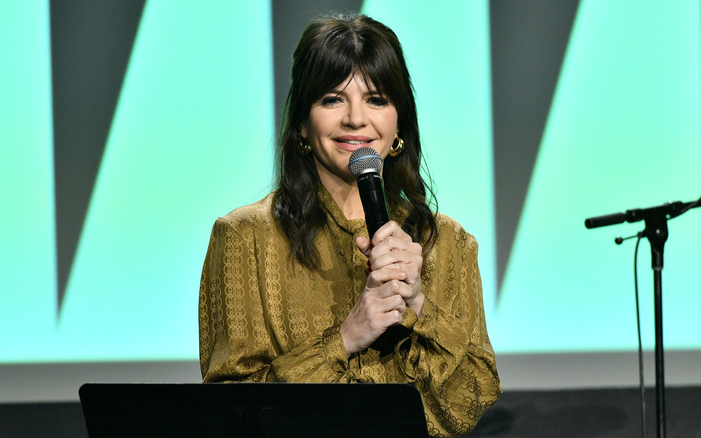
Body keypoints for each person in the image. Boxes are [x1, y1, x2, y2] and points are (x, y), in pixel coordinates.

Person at [199, 14, 501, 437]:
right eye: (332, 99)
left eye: (376, 99)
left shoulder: (446, 243)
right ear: (303, 124)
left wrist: (418, 304)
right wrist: (344, 339)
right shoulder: (245, 238)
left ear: (399, 126)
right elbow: (229, 416)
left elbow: (469, 402)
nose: (356, 120)